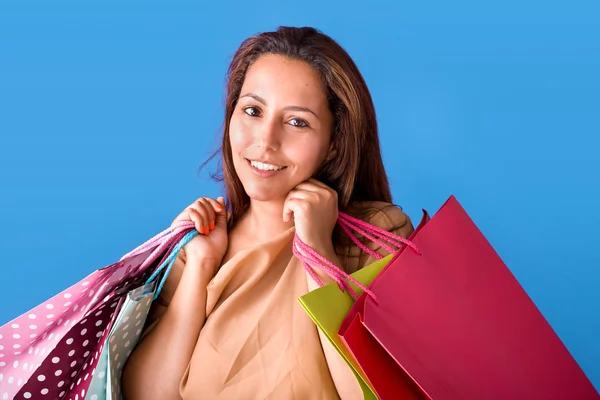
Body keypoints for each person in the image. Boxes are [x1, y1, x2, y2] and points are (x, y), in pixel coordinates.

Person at [121, 26, 414, 400]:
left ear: (334, 143)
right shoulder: (202, 243)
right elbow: (144, 395)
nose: (265, 141)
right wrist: (198, 267)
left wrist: (318, 253)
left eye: (297, 122)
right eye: (253, 111)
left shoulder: (376, 234)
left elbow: (378, 394)